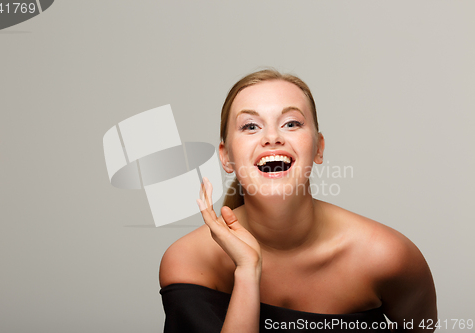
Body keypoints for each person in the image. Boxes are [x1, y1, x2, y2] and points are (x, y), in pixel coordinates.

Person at [159, 69, 437, 332]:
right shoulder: (188, 261)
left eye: (291, 123)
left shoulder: (388, 256)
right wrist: (246, 272)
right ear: (226, 157)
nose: (272, 137)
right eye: (251, 126)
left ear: (319, 148)